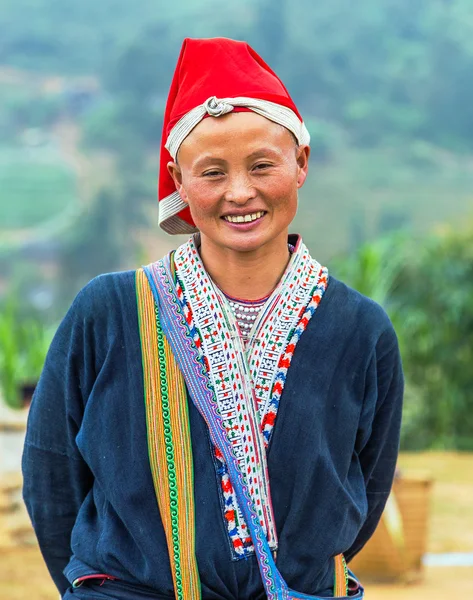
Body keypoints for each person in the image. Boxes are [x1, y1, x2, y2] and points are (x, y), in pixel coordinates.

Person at [22, 38, 403, 600]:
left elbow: (365, 489)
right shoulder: (106, 312)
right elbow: (52, 478)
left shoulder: (361, 330)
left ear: (301, 163)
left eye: (262, 165)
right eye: (212, 172)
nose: (240, 192)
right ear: (178, 179)